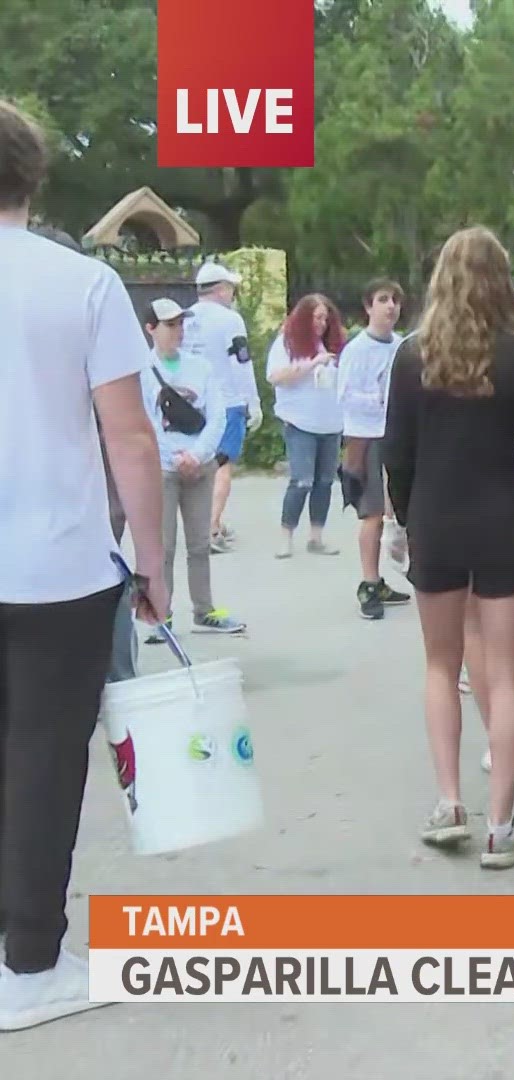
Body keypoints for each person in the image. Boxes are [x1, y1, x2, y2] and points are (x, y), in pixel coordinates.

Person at [0, 99, 169, 1030]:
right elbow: (130, 438)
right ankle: (29, 964)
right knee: (42, 762)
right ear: (34, 177)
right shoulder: (84, 285)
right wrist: (154, 563)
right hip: (56, 566)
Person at [385, 226, 514, 870]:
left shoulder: (411, 355)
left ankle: (448, 804)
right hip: (500, 522)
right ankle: (501, 825)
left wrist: (405, 522)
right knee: (506, 671)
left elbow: (397, 454)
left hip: (434, 521)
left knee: (441, 666)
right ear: (502, 279)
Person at [138, 298, 247, 638]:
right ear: (151, 329)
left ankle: (205, 609)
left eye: (181, 325)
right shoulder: (140, 371)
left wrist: (198, 455)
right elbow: (143, 422)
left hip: (199, 466)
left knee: (199, 543)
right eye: (170, 325)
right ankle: (161, 615)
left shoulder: (200, 367)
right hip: (162, 468)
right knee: (163, 546)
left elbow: (217, 414)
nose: (178, 332)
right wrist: (173, 458)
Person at [337, 278, 413, 619]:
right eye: (383, 299)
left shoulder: (403, 346)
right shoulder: (356, 350)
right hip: (367, 437)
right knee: (372, 514)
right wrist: (379, 398)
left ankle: (396, 574)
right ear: (369, 306)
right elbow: (345, 395)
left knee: (401, 511)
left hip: (400, 434)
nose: (391, 306)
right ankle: (369, 581)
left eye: (395, 300)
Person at [182, 261, 259, 552]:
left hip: (194, 403)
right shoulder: (230, 321)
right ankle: (210, 529)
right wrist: (252, 401)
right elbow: (241, 363)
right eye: (230, 288)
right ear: (221, 289)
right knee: (222, 466)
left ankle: (202, 523)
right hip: (227, 401)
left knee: (198, 465)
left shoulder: (186, 318)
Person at [267, 294, 348, 559]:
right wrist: (310, 364)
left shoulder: (334, 346)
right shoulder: (287, 343)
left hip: (331, 424)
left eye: (326, 318)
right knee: (301, 481)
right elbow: (276, 377)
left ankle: (316, 537)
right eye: (316, 318)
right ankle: (285, 536)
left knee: (325, 482)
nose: (322, 323)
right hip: (300, 422)